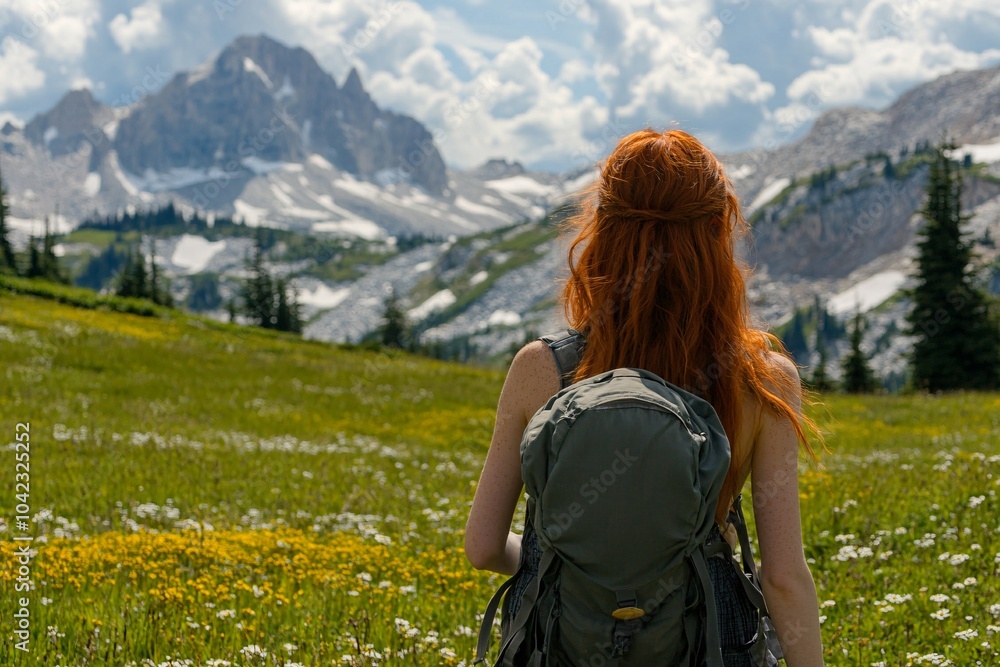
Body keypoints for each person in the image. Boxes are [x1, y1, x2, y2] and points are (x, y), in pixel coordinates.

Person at [465, 128, 825, 666]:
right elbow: (782, 578)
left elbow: (484, 547)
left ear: (603, 232)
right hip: (709, 647)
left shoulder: (542, 369)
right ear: (716, 232)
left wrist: (561, 567)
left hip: (561, 648)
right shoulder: (762, 380)